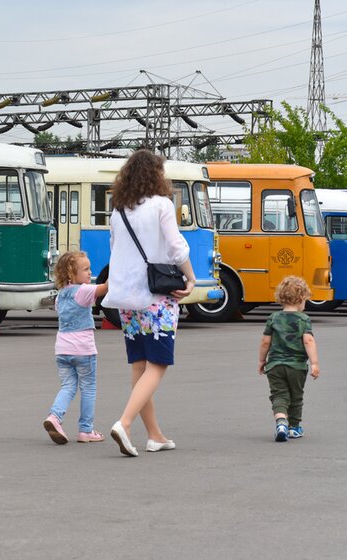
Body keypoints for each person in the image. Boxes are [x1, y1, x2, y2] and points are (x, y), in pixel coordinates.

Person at [103, 150, 196, 457]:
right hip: (156, 295)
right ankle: (125, 424)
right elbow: (176, 247)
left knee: (139, 365)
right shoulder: (162, 205)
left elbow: (115, 250)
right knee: (157, 365)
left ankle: (155, 435)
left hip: (126, 298)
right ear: (157, 174)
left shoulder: (119, 211)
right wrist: (191, 279)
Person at [43, 251, 108, 445]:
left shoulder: (60, 296)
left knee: (68, 386)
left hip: (62, 349)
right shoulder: (83, 290)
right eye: (86, 269)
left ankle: (54, 417)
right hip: (83, 349)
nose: (90, 273)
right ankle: (85, 430)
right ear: (72, 274)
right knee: (88, 387)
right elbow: (105, 288)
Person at [258, 275, 321, 441]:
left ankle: (281, 422)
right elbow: (308, 340)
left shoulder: (274, 318)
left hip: (275, 365)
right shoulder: (304, 319)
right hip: (297, 366)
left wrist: (261, 360)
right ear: (301, 299)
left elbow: (265, 342)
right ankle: (294, 427)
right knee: (296, 396)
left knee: (279, 395)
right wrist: (314, 363)